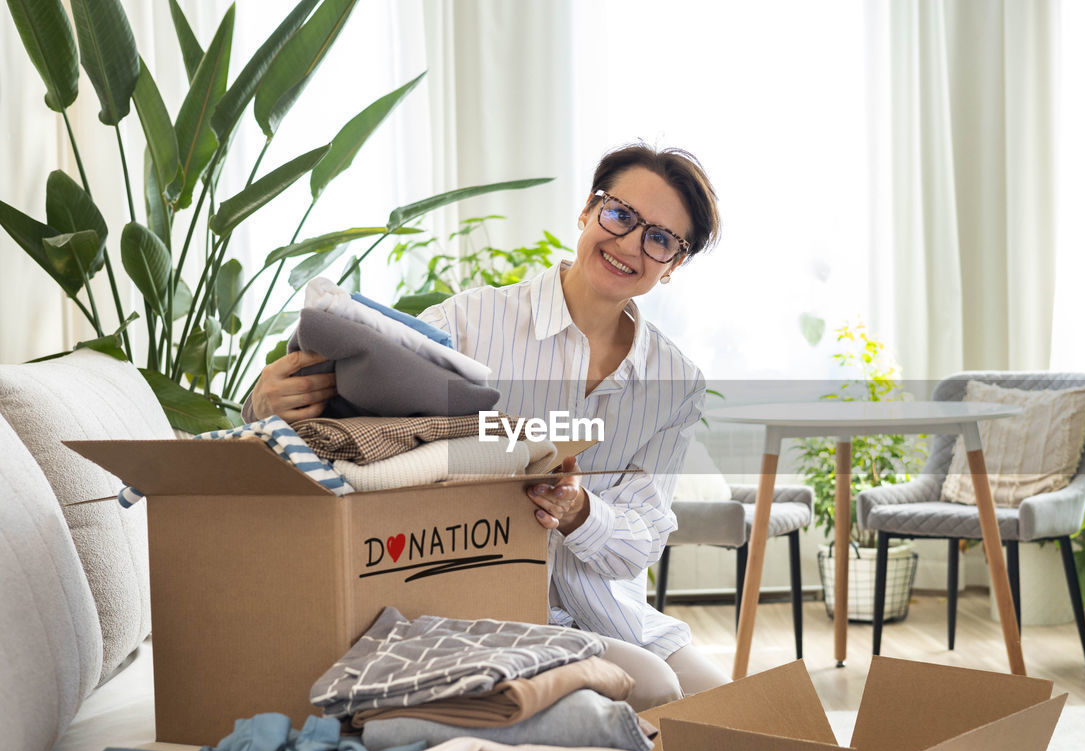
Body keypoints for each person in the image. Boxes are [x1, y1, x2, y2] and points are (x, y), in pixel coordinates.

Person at [245, 142, 728, 708]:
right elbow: (356, 436)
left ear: (673, 264)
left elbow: (642, 539)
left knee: (742, 715)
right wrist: (264, 403)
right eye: (620, 214)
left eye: (660, 238)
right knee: (655, 690)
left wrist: (580, 514)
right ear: (587, 210)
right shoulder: (467, 323)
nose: (628, 245)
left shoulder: (675, 382)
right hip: (475, 603)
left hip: (615, 615)